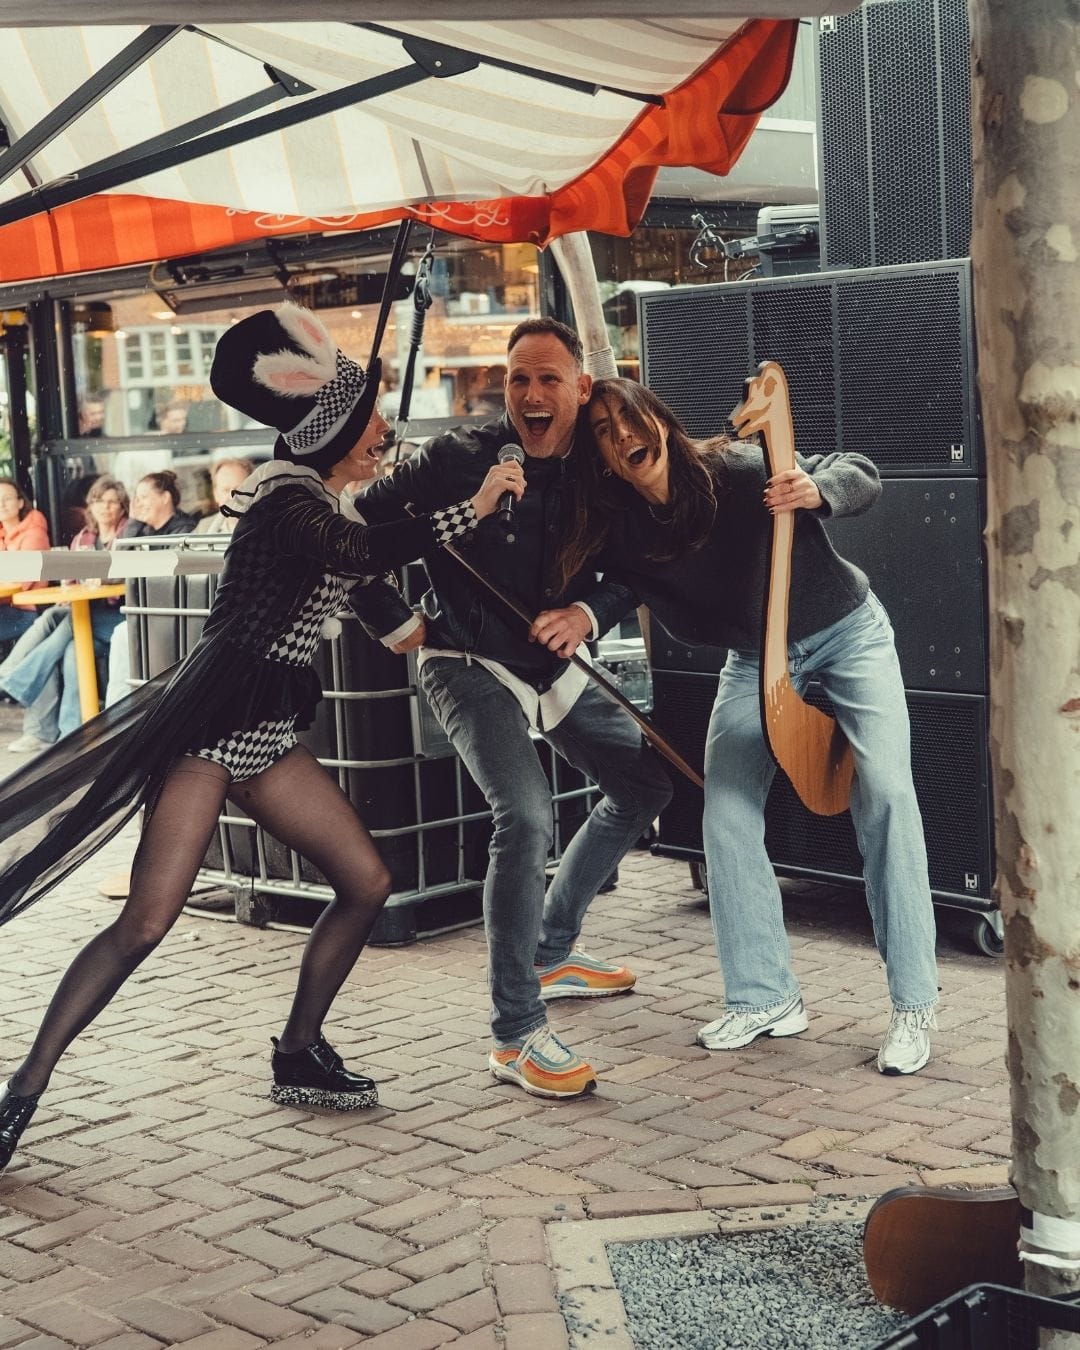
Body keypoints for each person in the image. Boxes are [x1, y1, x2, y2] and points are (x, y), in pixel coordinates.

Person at [0, 302, 519, 1174]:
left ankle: (297, 1051)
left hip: (270, 730)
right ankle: (20, 1094)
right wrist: (472, 506)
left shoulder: (320, 500)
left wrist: (461, 636)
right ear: (335, 432)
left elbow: (373, 602)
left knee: (367, 881)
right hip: (212, 723)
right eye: (371, 426)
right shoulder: (287, 500)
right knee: (147, 921)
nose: (383, 437)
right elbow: (355, 555)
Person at [563, 377, 939, 1076]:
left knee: (886, 794)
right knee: (726, 811)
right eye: (603, 432)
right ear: (602, 459)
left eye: (628, 418)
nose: (621, 436)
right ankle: (766, 996)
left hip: (845, 635)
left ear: (659, 421)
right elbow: (620, 585)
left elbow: (856, 471)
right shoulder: (624, 527)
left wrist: (815, 491)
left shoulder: (732, 468)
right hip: (756, 661)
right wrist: (582, 617)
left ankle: (913, 1005)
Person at [350, 318, 672, 1100]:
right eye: (517, 379)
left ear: (580, 389)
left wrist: (588, 615)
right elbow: (351, 529)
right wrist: (394, 620)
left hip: (549, 659)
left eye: (548, 380)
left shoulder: (601, 465)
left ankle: (552, 947)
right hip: (464, 657)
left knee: (647, 784)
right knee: (525, 819)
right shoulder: (456, 456)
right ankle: (516, 1032)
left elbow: (633, 567)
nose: (531, 395)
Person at [1, 475, 129, 753]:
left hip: (119, 616)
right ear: (90, 506)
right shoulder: (84, 537)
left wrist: (98, 581)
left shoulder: (128, 536)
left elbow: (125, 580)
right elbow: (70, 580)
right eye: (99, 501)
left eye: (112, 502)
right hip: (88, 617)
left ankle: (14, 678)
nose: (105, 508)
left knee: (67, 623)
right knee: (71, 649)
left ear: (122, 507)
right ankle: (73, 734)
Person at [0, 478, 50, 644]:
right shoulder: (2, 537)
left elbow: (21, 581)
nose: (1, 504)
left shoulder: (35, 534)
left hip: (26, 611)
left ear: (20, 502)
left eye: (7, 498)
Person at [121, 471, 198, 539]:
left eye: (144, 497)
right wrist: (133, 524)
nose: (139, 504)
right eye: (138, 499)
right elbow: (121, 554)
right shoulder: (143, 531)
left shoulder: (184, 531)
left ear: (165, 498)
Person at [193, 458, 256, 534]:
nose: (231, 497)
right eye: (226, 490)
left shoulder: (266, 527)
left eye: (238, 489)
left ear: (252, 491)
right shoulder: (204, 528)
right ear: (216, 494)